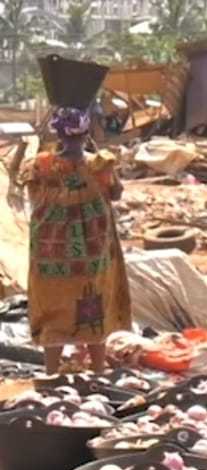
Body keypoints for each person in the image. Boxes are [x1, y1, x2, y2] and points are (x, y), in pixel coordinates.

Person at [7, 106, 131, 374]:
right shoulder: (100, 163)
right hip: (91, 254)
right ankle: (97, 371)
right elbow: (117, 193)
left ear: (57, 133)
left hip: (51, 254)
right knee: (94, 307)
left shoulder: (41, 164)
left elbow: (30, 194)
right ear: (86, 132)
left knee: (53, 307)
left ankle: (52, 373)